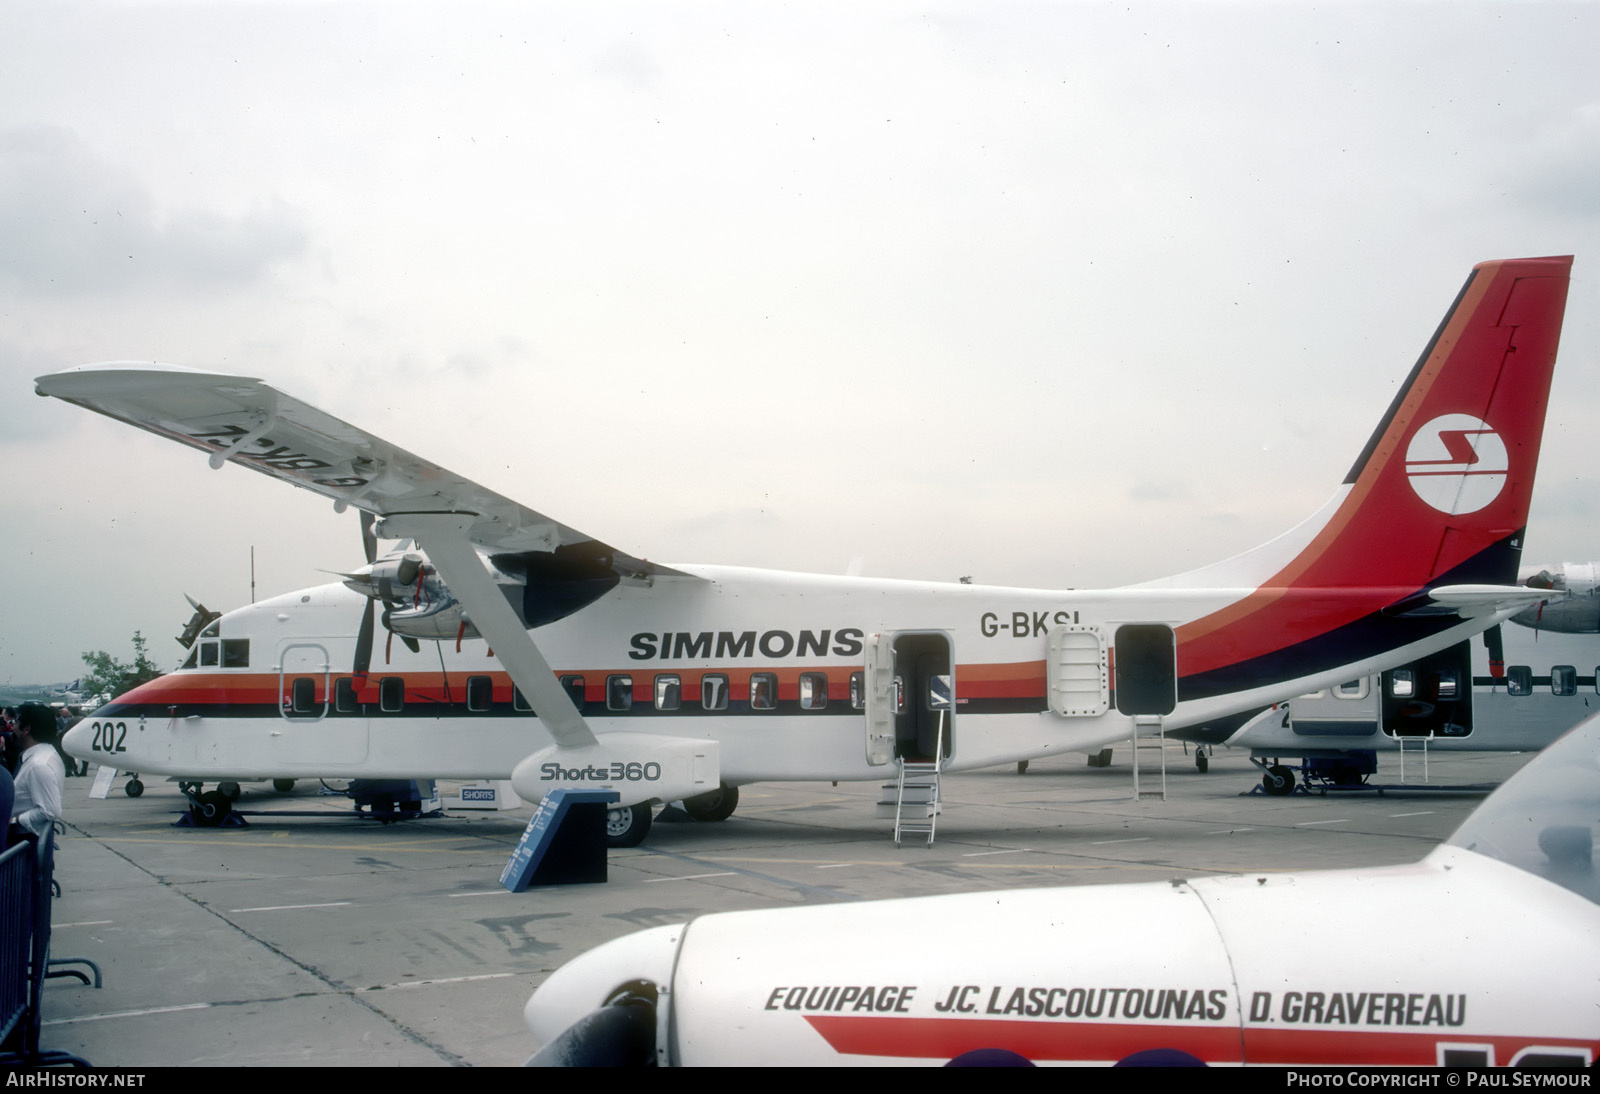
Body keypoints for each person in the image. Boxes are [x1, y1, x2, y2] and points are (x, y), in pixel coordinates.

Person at [12, 702, 64, 841]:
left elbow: (50, 811)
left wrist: (14, 820)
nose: (13, 727)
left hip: (26, 841)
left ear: (26, 729)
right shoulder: (46, 754)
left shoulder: (38, 765)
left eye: (16, 722)